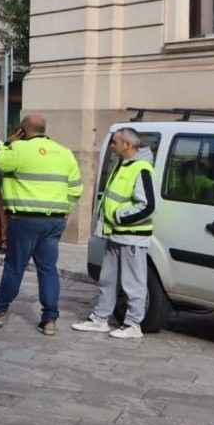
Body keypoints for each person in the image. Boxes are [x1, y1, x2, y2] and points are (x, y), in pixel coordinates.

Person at [0, 115, 83, 336]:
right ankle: (50, 318)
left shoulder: (18, 150)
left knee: (15, 266)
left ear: (22, 130)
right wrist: (64, 209)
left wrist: (8, 142)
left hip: (24, 219)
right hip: (54, 220)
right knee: (48, 269)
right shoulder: (64, 153)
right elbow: (76, 189)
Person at [72, 128, 156, 339]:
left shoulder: (141, 169)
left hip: (131, 236)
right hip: (115, 234)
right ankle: (100, 319)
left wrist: (119, 216)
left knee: (133, 283)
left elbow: (148, 206)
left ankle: (133, 324)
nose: (112, 146)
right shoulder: (123, 165)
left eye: (115, 142)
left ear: (127, 144)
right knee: (107, 279)